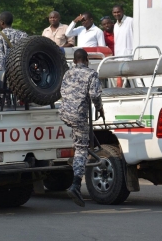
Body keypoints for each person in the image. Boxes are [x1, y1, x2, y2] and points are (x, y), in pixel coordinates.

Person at [59, 49, 104, 207]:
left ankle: (75, 152)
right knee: (81, 149)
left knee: (78, 140)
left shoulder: (68, 73)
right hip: (79, 116)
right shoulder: (91, 74)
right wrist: (100, 109)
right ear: (86, 59)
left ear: (75, 60)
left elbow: (62, 91)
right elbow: (95, 96)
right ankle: (76, 184)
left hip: (64, 114)